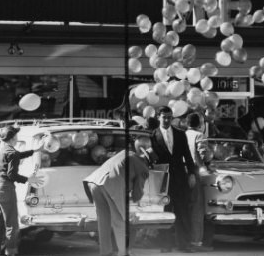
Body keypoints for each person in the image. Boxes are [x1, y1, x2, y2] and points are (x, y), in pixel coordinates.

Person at [83, 144, 150, 256]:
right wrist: (136, 198)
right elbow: (137, 192)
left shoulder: (124, 152)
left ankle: (105, 252)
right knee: (119, 220)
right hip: (110, 184)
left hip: (94, 182)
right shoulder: (143, 166)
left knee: (103, 220)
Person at [0, 125, 43, 256]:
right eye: (16, 135)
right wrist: (29, 180)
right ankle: (10, 252)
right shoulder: (12, 153)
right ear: (13, 138)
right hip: (6, 188)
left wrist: (34, 151)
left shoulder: (0, 150)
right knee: (12, 223)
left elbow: (16, 155)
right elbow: (12, 175)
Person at [151, 106, 196, 253]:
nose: (166, 120)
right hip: (162, 180)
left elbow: (188, 156)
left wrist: (192, 173)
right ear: (158, 117)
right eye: (164, 117)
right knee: (165, 212)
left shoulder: (180, 134)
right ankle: (166, 244)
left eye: (169, 117)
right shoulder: (153, 135)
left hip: (180, 178)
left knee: (182, 211)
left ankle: (184, 244)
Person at [185, 112, 210, 253]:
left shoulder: (183, 135)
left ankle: (185, 239)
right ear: (200, 124)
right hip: (195, 173)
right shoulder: (199, 135)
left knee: (185, 208)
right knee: (197, 209)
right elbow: (204, 154)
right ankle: (196, 242)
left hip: (182, 174)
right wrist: (208, 162)